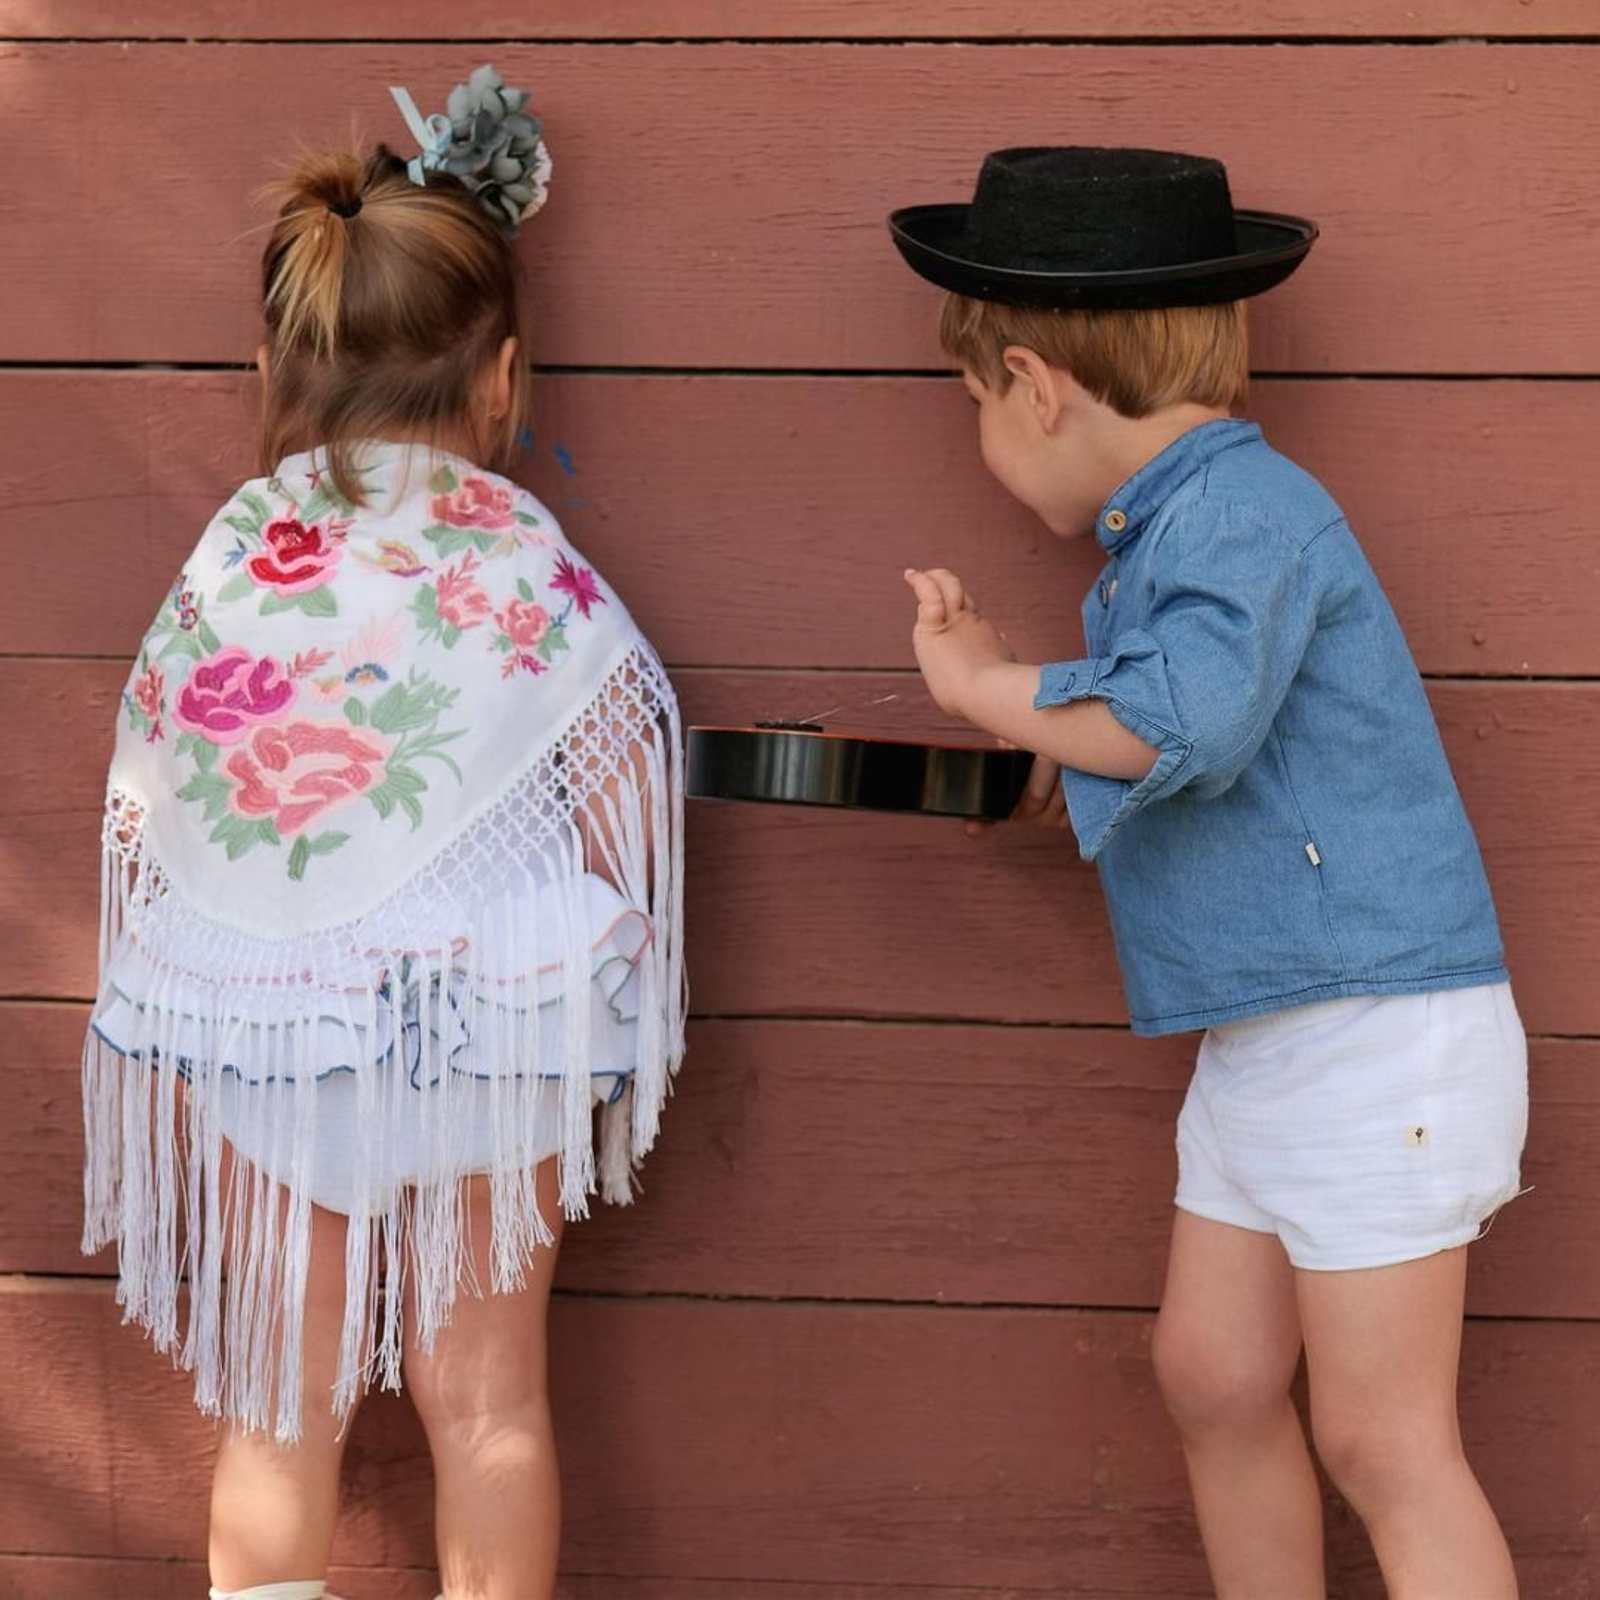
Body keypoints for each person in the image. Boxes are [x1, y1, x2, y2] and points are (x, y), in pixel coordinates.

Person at [80, 66, 685, 1600]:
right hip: (491, 1021)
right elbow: (620, 765)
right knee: (490, 1411)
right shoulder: (521, 550)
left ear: (281, 370)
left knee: (278, 1419)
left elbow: (157, 790)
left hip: (278, 1018)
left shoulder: (241, 548)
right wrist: (608, 954)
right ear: (501, 380)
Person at [888, 147, 1526, 1598]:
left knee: (1384, 1438)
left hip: (1374, 1030)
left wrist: (989, 684)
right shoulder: (1173, 537)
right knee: (1216, 1377)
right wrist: (1038, 774)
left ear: (1036, 384)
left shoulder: (1243, 516)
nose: (984, 428)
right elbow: (1180, 746)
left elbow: (1183, 722)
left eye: (976, 399)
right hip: (1271, 1031)